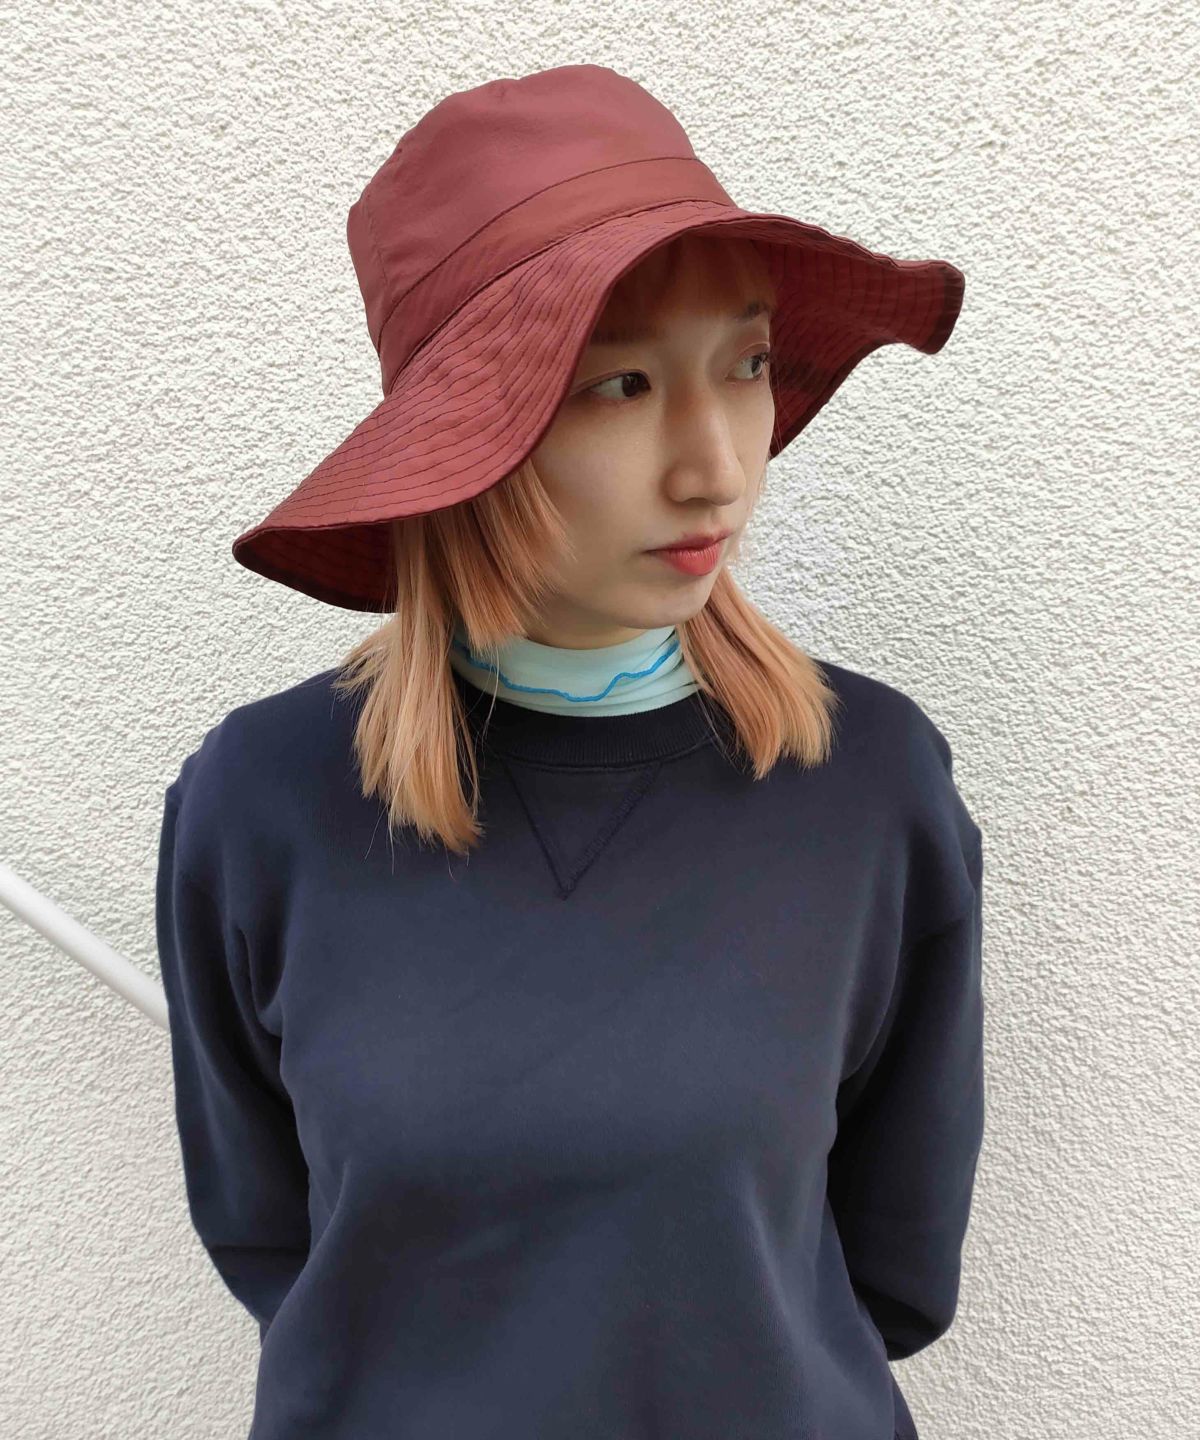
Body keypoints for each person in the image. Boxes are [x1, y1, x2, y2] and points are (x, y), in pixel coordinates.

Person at [156, 63, 984, 1440]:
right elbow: (269, 1232)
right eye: (620, 383)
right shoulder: (263, 800)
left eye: (748, 364)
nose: (718, 466)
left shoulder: (869, 783)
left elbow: (895, 1263)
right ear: (462, 440)